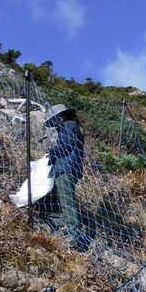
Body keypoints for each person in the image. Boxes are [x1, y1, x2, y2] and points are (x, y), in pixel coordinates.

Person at [36, 104, 90, 251]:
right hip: (62, 169)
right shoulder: (69, 126)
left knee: (67, 202)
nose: (53, 124)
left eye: (54, 120)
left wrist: (49, 156)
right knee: (50, 199)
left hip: (66, 168)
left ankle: (75, 236)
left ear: (60, 116)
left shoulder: (69, 125)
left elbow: (64, 146)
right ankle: (56, 225)